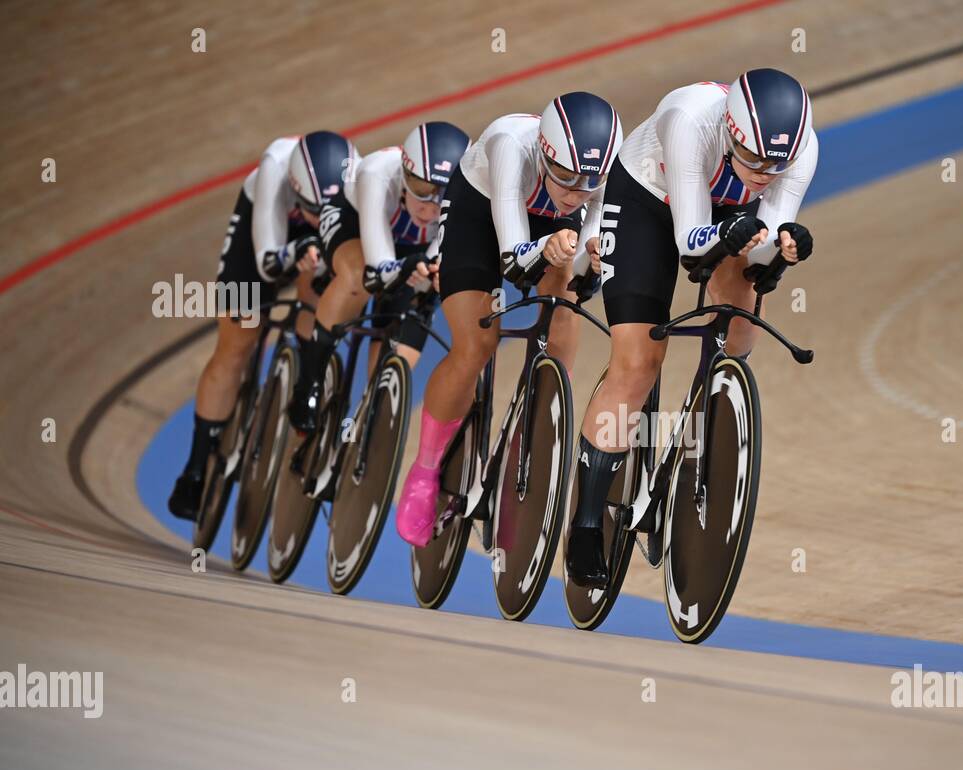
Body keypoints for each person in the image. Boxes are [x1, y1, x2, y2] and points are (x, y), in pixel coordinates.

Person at [564, 69, 818, 587]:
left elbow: (762, 241)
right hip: (645, 201)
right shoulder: (689, 122)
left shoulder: (802, 148)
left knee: (741, 333)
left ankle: (692, 440)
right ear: (731, 133)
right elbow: (692, 246)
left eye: (777, 167)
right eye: (753, 161)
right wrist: (739, 233)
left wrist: (783, 248)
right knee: (638, 364)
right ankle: (587, 522)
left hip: (725, 213)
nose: (766, 175)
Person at [392, 92, 624, 548]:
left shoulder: (604, 175)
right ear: (545, 152)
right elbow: (514, 255)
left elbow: (591, 243)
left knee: (565, 300)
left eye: (587, 184)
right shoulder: (510, 145)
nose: (575, 191)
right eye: (564, 177)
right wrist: (552, 249)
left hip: (548, 226)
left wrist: (589, 258)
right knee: (476, 344)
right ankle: (424, 471)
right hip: (480, 217)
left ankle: (543, 414)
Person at [168, 131, 356, 520]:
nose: (318, 218)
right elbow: (269, 260)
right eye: (311, 208)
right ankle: (195, 467)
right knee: (238, 340)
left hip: (320, 238)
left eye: (325, 211)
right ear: (294, 186)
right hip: (266, 234)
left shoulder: (357, 181)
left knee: (319, 297)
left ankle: (307, 379)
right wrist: (296, 251)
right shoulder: (274, 171)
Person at [288, 121, 471, 432]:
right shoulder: (377, 173)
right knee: (359, 276)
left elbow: (434, 263)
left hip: (410, 250)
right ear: (404, 171)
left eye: (442, 194)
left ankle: (369, 414)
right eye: (422, 189)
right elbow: (378, 270)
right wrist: (415, 268)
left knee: (418, 302)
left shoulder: (465, 201)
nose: (429, 208)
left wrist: (433, 274)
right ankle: (310, 379)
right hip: (354, 226)